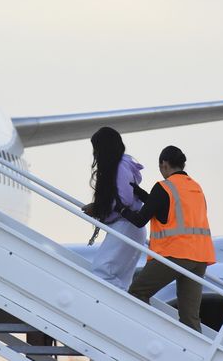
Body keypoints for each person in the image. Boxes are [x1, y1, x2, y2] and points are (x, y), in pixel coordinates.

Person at [119, 145, 215, 332]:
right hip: (200, 258)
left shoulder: (164, 187)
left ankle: (150, 334)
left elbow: (140, 220)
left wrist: (121, 210)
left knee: (138, 292)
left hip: (174, 254)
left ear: (164, 164)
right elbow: (167, 207)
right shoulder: (195, 187)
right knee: (190, 317)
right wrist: (141, 193)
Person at [81, 127, 147, 290]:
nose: (95, 153)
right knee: (120, 279)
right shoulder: (122, 165)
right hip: (129, 226)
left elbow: (124, 199)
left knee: (102, 271)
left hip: (126, 224)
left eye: (96, 148)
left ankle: (120, 309)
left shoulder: (119, 166)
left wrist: (98, 209)